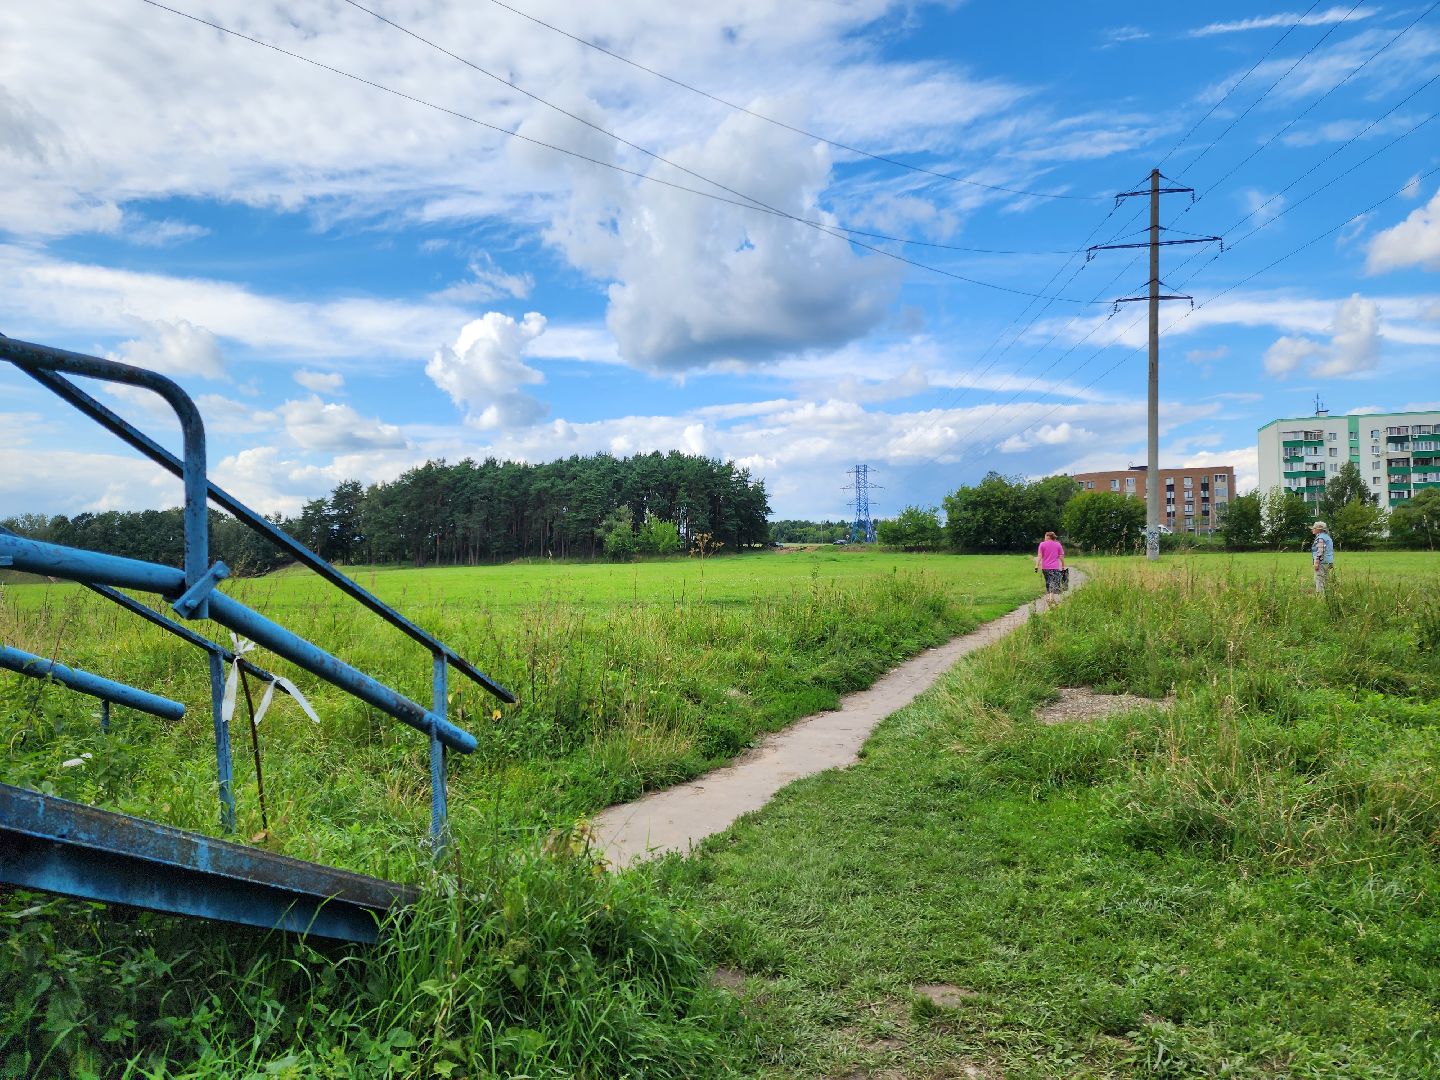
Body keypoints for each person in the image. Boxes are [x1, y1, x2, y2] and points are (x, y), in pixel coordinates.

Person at [1035, 530, 1067, 595]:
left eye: (1045, 537)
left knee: (1048, 582)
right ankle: (1050, 598)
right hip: (1055, 567)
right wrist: (1063, 566)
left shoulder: (1042, 544)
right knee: (1053, 582)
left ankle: (1050, 597)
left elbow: (1040, 556)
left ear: (1048, 537)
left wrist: (1036, 565)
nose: (1044, 538)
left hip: (1045, 567)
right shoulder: (1058, 544)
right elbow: (1061, 556)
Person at [1311, 520, 1334, 594]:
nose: (1312, 529)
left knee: (1319, 579)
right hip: (1328, 561)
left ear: (1318, 530)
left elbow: (1320, 551)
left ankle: (1320, 596)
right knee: (1325, 579)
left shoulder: (1320, 538)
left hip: (1322, 561)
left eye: (1314, 528)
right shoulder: (1327, 537)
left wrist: (1317, 562)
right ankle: (1326, 595)